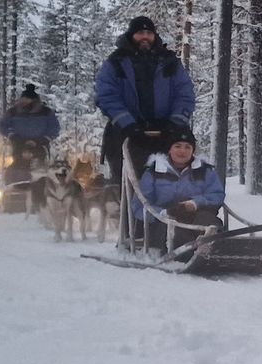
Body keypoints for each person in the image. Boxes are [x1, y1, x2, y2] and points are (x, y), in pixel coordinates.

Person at [95, 16, 197, 185]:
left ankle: (184, 204)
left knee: (180, 166)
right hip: (128, 130)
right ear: (131, 35)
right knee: (126, 174)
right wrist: (127, 123)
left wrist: (176, 122)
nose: (145, 37)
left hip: (167, 128)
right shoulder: (116, 62)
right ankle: (126, 204)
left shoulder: (169, 61)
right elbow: (107, 95)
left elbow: (184, 93)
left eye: (149, 33)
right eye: (140, 33)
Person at [139, 128, 223, 250]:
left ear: (193, 150)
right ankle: (198, 250)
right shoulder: (153, 172)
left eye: (187, 147)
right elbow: (140, 204)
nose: (182, 151)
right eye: (177, 146)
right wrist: (164, 213)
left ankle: (212, 243)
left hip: (197, 215)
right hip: (164, 222)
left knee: (207, 220)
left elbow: (216, 195)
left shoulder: (205, 171)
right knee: (178, 230)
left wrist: (195, 203)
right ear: (169, 149)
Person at [0, 84, 60, 162]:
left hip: (39, 142)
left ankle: (39, 171)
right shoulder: (13, 111)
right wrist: (11, 134)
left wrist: (45, 138)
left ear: (34, 100)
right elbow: (2, 125)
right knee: (17, 161)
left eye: (27, 100)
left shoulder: (45, 112)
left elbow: (54, 127)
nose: (24, 102)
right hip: (18, 141)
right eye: (23, 99)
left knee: (40, 160)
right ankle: (16, 170)